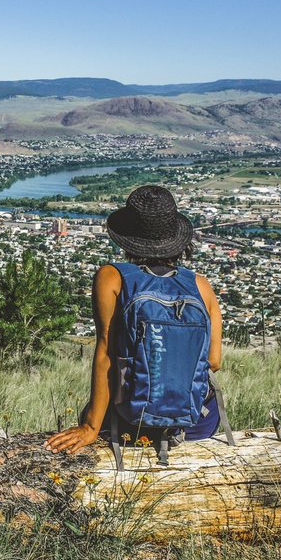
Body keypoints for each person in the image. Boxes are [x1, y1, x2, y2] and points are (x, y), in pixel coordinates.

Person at [45, 185, 225, 457]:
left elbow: (106, 353)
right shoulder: (200, 286)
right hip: (197, 422)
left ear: (127, 238)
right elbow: (214, 361)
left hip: (134, 418)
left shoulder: (112, 277)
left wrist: (90, 427)